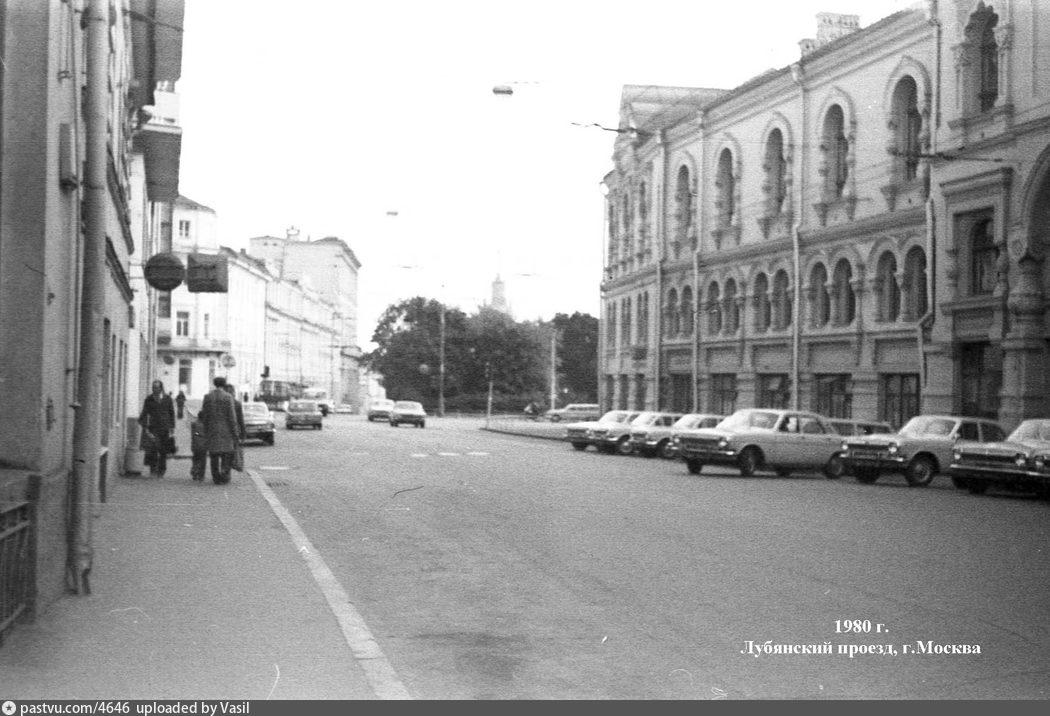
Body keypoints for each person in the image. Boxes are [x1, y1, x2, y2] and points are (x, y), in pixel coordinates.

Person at [200, 376, 240, 484]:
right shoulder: (228, 397)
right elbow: (232, 416)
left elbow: (205, 415)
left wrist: (206, 428)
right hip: (226, 431)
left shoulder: (208, 397)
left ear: (214, 384)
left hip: (212, 430)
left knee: (214, 455)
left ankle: (216, 477)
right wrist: (235, 432)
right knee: (226, 454)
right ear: (224, 384)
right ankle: (224, 474)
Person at [139, 379, 176, 477]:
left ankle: (162, 470)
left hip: (165, 427)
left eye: (156, 387)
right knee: (154, 448)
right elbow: (144, 413)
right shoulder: (149, 399)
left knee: (163, 450)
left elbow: (171, 413)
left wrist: (172, 427)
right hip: (153, 427)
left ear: (161, 388)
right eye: (153, 387)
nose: (154, 389)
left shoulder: (167, 399)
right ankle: (153, 468)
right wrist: (143, 424)